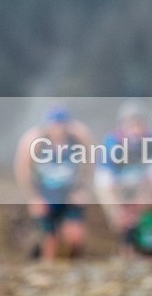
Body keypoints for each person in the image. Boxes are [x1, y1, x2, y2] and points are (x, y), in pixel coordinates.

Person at [14, 105, 94, 261]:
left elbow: (91, 161)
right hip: (46, 192)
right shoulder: (36, 141)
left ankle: (74, 266)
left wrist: (82, 189)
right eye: (54, 126)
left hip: (68, 191)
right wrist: (34, 197)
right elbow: (22, 170)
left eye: (62, 126)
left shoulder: (77, 138)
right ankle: (46, 268)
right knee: (51, 242)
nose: (58, 130)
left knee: (75, 236)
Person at [94, 99, 152, 256]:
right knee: (122, 219)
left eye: (139, 123)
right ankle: (126, 250)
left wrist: (143, 197)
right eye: (131, 123)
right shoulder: (112, 143)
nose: (136, 129)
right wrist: (118, 209)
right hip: (116, 187)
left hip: (141, 184)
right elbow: (106, 183)